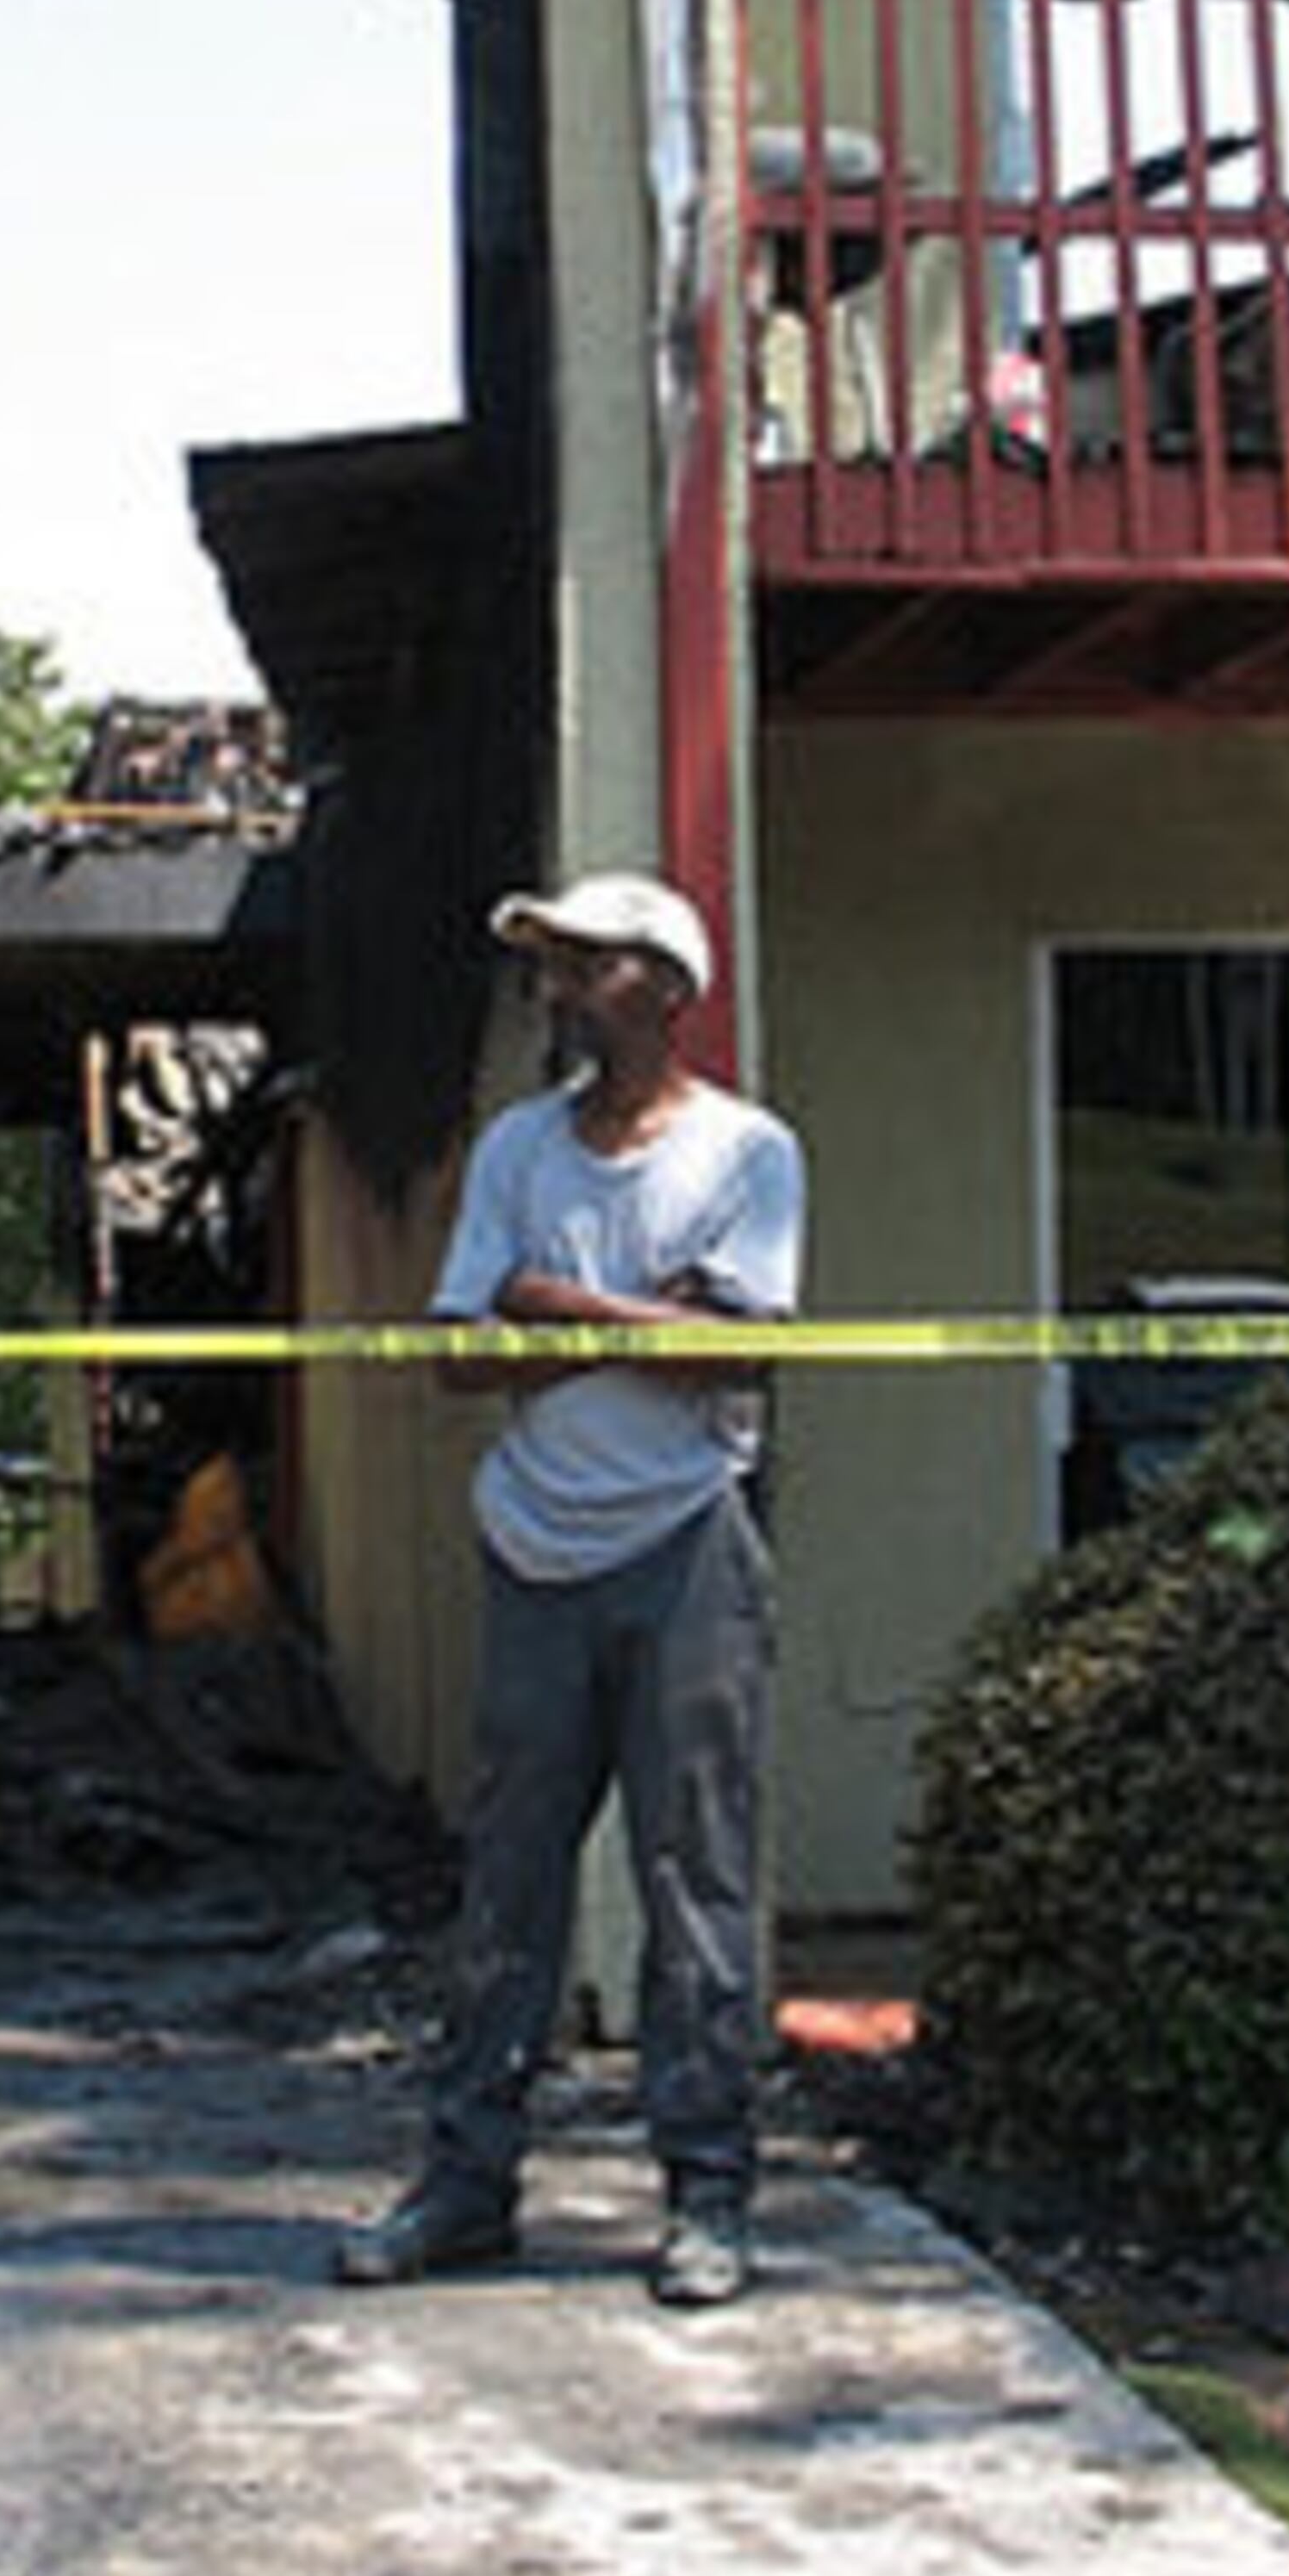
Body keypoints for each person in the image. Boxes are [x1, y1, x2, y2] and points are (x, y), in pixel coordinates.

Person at [337, 870, 805, 2309]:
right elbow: (458, 1360)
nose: (556, 994)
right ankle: (466, 2188)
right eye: (548, 971)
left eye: (584, 968)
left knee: (695, 1887)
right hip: (534, 1546)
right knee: (508, 1889)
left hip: (686, 1551)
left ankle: (707, 2198)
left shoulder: (747, 1153)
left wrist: (563, 1305)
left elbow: (744, 1357)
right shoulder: (516, 1151)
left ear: (663, 990)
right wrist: (644, 1321)